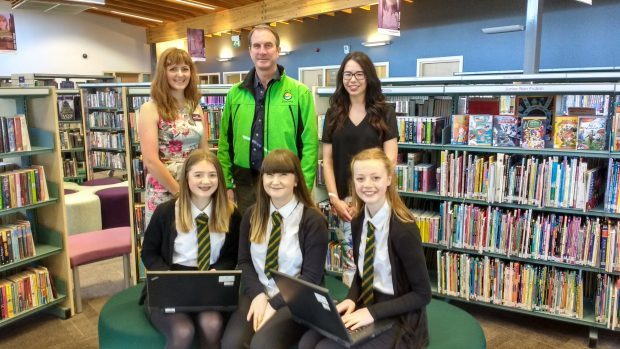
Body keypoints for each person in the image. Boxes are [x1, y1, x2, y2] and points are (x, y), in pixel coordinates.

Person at [299, 148, 431, 349]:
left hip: (397, 314)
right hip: (367, 301)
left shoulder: (403, 229)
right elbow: (362, 274)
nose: (367, 185)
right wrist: (352, 299)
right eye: (360, 179)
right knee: (307, 342)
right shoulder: (358, 220)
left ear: (388, 179)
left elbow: (422, 294)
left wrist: (372, 313)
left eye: (375, 178)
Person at [221, 149, 328, 349]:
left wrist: (274, 303)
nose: (275, 181)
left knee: (262, 345)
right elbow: (244, 261)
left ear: (296, 180)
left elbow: (311, 278)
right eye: (269, 174)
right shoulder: (252, 215)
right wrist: (259, 296)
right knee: (231, 343)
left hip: (297, 298)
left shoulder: (312, 221)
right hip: (259, 290)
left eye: (283, 174)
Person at [141, 148, 242, 349]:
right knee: (183, 331)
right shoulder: (167, 212)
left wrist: (219, 270)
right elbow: (148, 253)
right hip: (171, 282)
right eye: (198, 175)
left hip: (208, 284)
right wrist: (167, 277)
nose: (205, 181)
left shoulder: (230, 213)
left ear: (219, 179)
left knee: (212, 324)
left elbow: (232, 255)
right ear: (186, 178)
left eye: (212, 175)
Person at [217, 24, 318, 215]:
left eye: (268, 45)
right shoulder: (234, 94)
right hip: (245, 183)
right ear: (250, 51)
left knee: (285, 237)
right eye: (256, 46)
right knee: (250, 236)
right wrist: (227, 183)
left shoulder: (300, 93)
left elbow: (310, 145)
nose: (262, 51)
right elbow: (225, 144)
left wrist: (302, 185)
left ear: (278, 51)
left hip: (285, 180)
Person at [321, 51, 399, 272]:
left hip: (377, 197)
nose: (352, 80)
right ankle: (352, 303)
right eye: (347, 75)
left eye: (359, 74)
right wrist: (334, 198)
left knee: (378, 258)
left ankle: (377, 305)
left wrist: (367, 196)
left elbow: (390, 159)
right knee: (350, 258)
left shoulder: (385, 112)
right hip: (344, 203)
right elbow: (327, 159)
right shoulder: (333, 114)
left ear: (369, 77)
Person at [139, 47, 207, 228]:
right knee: (167, 244)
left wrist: (202, 187)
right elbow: (151, 161)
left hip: (195, 186)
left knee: (195, 242)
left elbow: (203, 152)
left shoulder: (195, 107)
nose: (180, 74)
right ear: (163, 73)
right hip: (165, 189)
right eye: (173, 69)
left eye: (185, 69)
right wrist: (179, 193)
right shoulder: (150, 108)